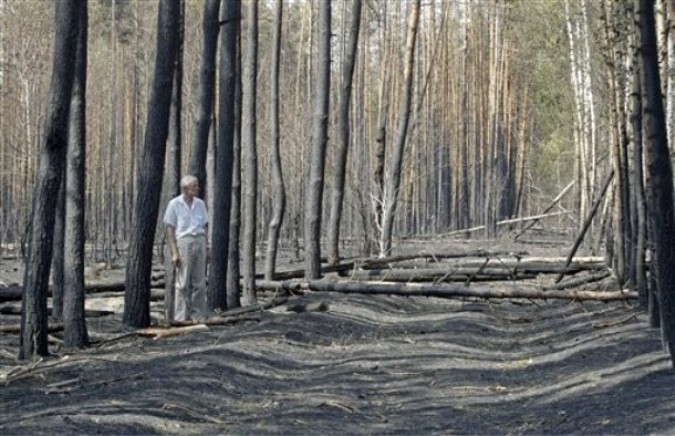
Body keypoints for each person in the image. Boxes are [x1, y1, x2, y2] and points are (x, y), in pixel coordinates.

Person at [163, 175, 209, 322]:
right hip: (184, 242)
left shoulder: (200, 204)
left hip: (199, 241)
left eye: (197, 185)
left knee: (199, 282)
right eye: (194, 186)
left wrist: (207, 247)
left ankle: (198, 315)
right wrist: (174, 252)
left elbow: (205, 226)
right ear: (185, 189)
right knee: (182, 283)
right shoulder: (174, 204)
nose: (197, 188)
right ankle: (180, 317)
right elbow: (170, 228)